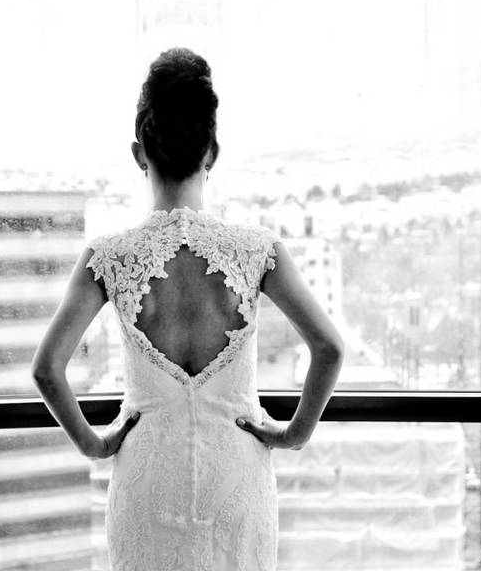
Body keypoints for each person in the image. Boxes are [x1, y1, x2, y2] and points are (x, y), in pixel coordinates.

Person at [30, 47, 344, 570]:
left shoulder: (108, 258)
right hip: (237, 484)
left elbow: (47, 369)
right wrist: (294, 433)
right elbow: (329, 348)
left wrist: (94, 444)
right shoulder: (257, 252)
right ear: (212, 152)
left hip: (146, 488)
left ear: (139, 153)